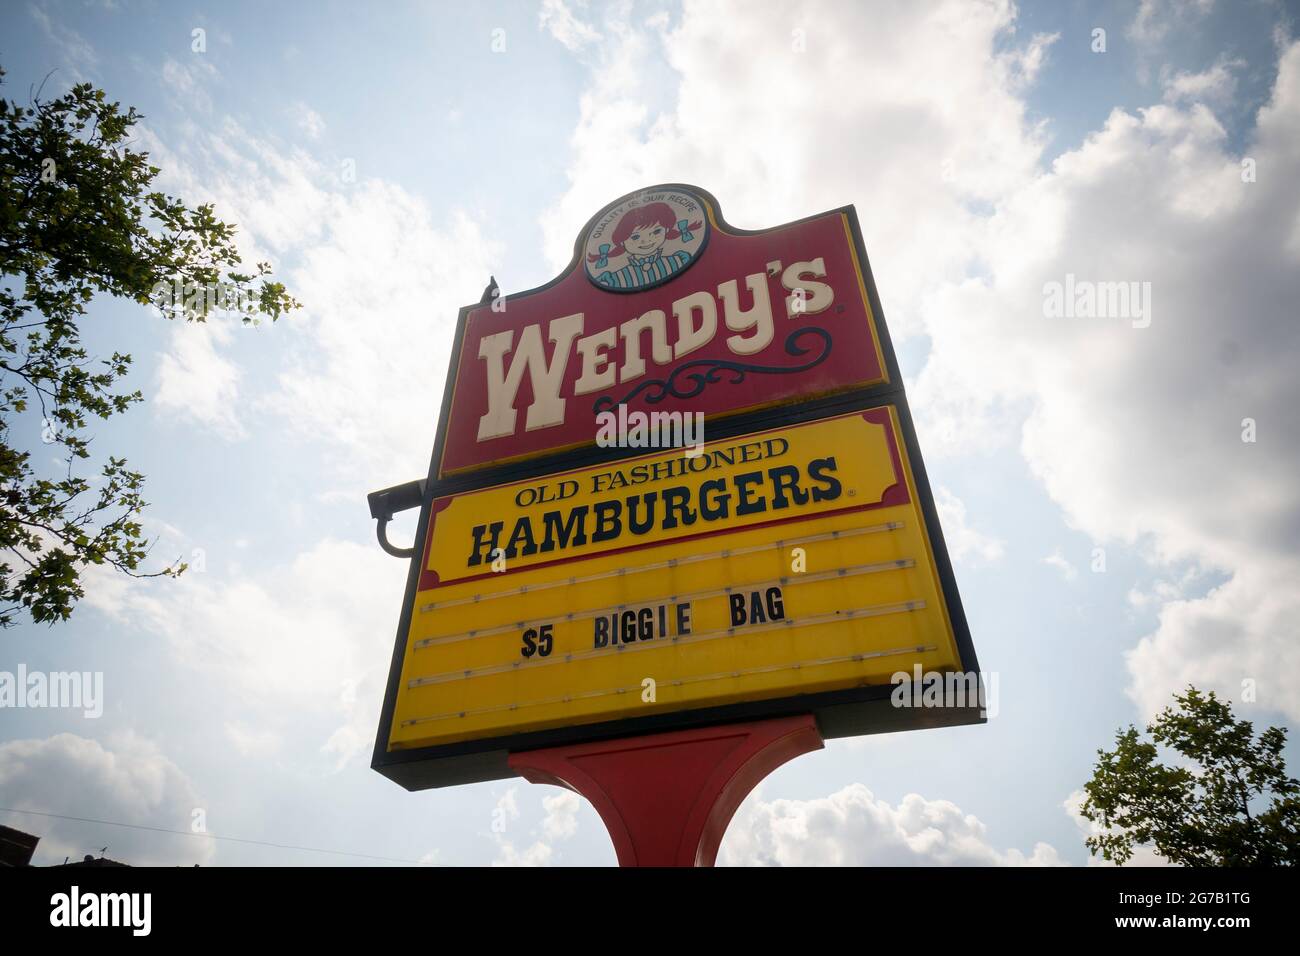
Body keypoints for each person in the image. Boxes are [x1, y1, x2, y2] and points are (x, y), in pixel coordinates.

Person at [588, 202, 703, 290]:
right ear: (622, 241)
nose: (646, 240)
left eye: (656, 231)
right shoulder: (615, 279)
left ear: (666, 230)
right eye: (635, 237)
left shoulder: (679, 260)